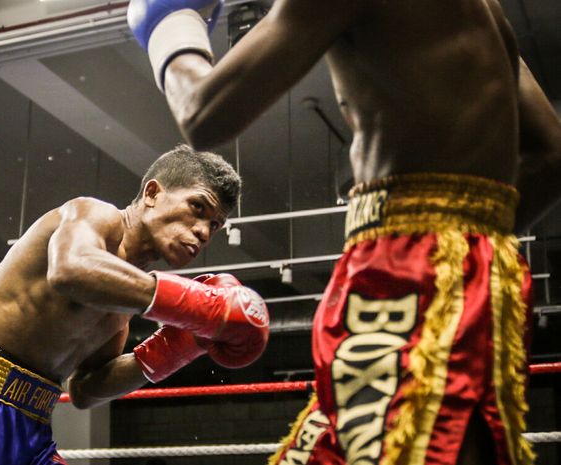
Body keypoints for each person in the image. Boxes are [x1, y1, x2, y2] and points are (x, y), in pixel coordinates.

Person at [127, 0, 561, 463]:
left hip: (409, 267)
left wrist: (168, 23)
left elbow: (204, 112)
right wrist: (463, 236)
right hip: (459, 261)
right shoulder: (487, 12)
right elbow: (551, 156)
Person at [0, 144, 270, 465]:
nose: (203, 231)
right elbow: (70, 270)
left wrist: (179, 347)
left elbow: (86, 390)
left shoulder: (122, 303)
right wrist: (194, 306)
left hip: (30, 426)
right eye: (197, 208)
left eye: (215, 225)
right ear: (152, 194)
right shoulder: (94, 216)